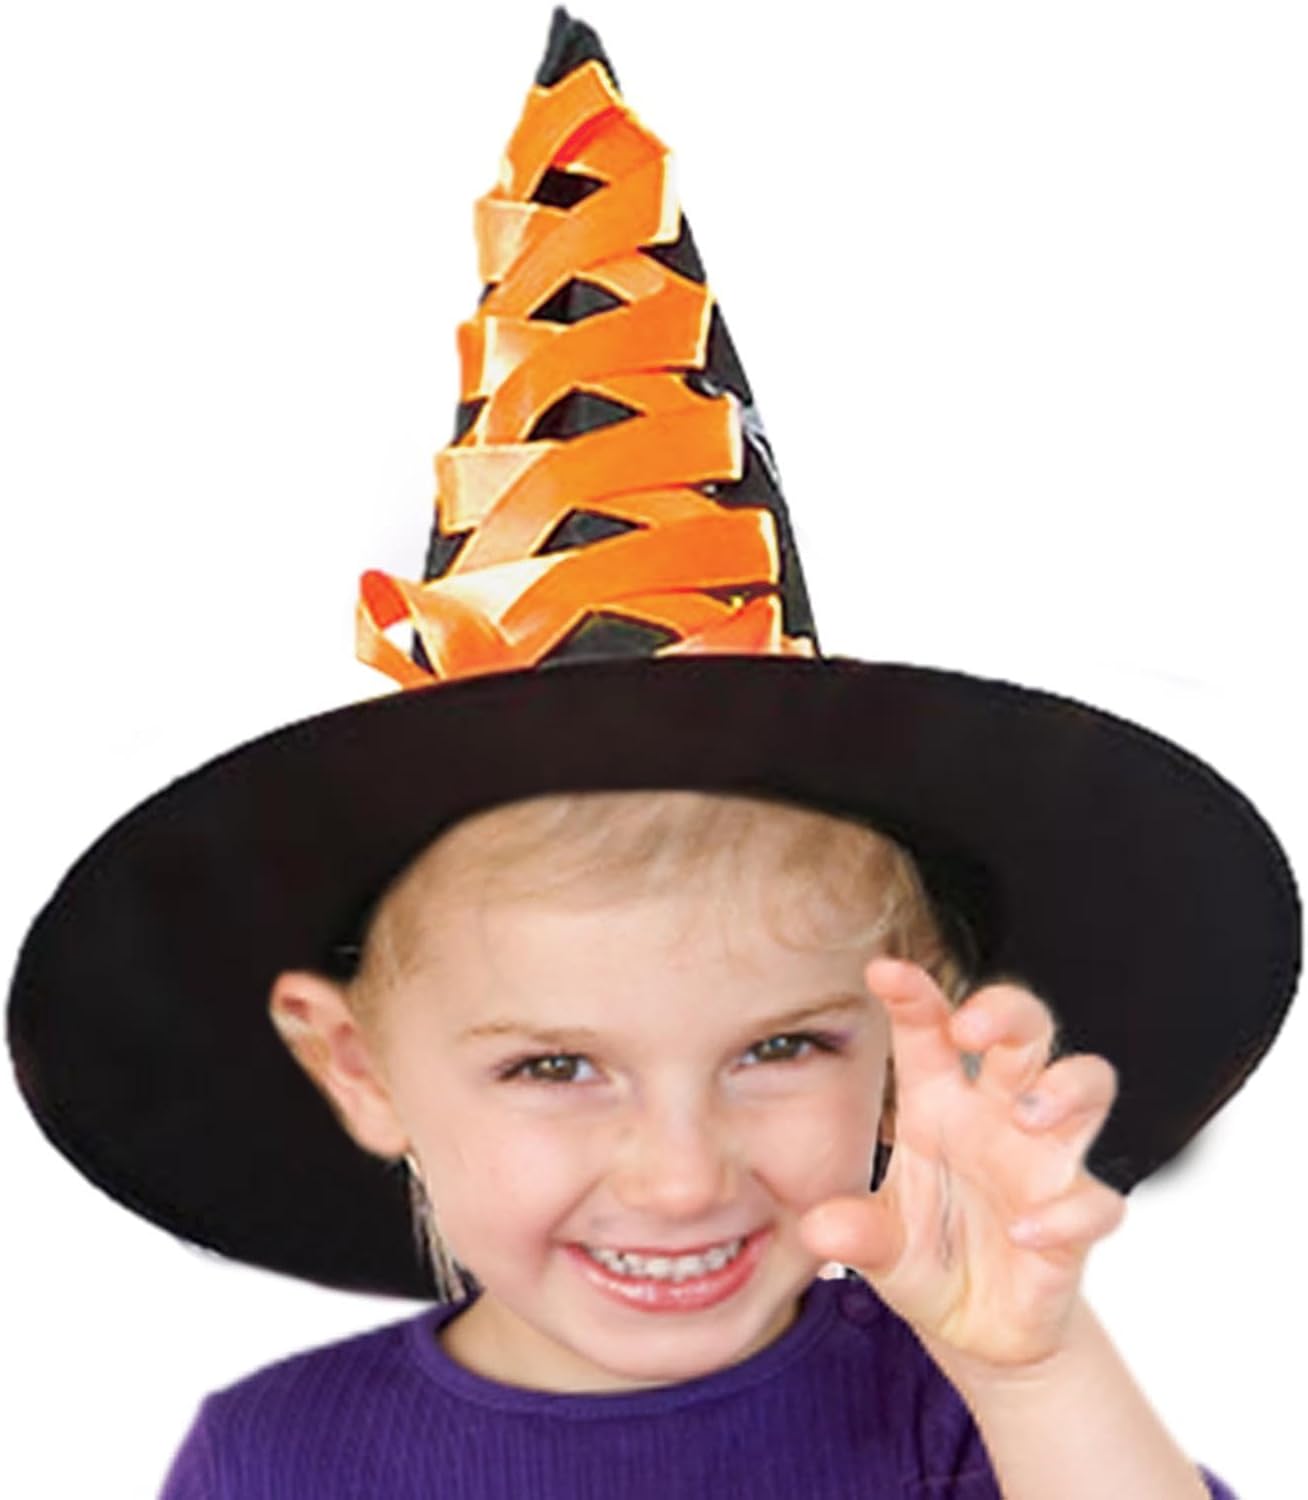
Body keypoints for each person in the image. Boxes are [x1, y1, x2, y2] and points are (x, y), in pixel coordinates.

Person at [6, 8, 1296, 1497]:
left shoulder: (966, 1411)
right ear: (358, 1066)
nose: (682, 1177)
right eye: (554, 1064)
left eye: (783, 1048)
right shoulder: (275, 1458)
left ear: (913, 1053)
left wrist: (1035, 1370)